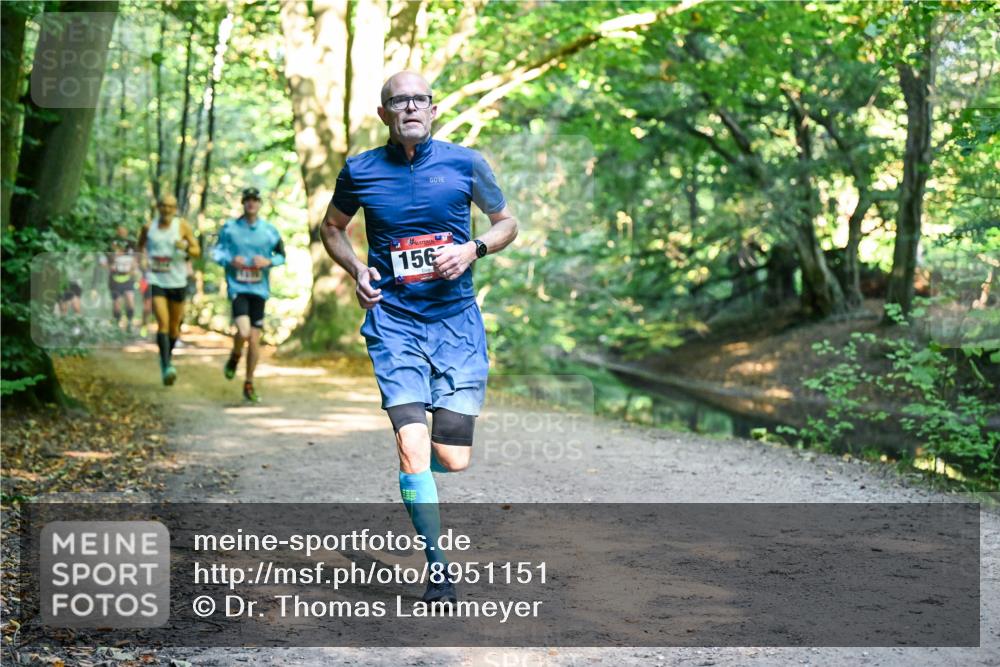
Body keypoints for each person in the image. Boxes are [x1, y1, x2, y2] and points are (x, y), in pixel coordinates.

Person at [321, 71, 518, 604]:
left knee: (452, 459)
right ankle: (439, 567)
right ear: (384, 114)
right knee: (411, 446)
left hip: (456, 323)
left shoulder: (465, 163)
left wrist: (472, 249)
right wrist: (357, 269)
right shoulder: (360, 170)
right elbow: (331, 228)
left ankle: (417, 477)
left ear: (432, 110)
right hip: (394, 322)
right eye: (398, 101)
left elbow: (507, 223)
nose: (410, 107)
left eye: (419, 99)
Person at [211, 187, 286, 402]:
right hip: (238, 288)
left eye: (255, 200)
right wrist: (229, 260)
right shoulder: (230, 228)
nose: (251, 203)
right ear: (243, 203)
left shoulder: (269, 231)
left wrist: (269, 262)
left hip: (259, 290)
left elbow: (282, 255)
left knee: (254, 340)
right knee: (244, 332)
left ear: (260, 204)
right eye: (248, 200)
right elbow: (216, 251)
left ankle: (249, 383)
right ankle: (235, 355)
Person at [138, 194, 201, 385]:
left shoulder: (181, 226)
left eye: (171, 207)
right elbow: (139, 248)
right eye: (163, 206)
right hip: (156, 279)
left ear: (175, 209)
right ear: (158, 207)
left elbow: (197, 251)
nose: (167, 209)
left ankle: (167, 357)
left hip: (177, 281)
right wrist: (142, 260)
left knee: (174, 327)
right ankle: (166, 366)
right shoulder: (149, 227)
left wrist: (185, 247)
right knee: (163, 323)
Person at [105, 224, 140, 333]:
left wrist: (133, 269)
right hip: (115, 279)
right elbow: (106, 262)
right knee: (117, 303)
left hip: (128, 278)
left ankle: (129, 323)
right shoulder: (111, 244)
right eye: (119, 230)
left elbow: (136, 260)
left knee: (130, 300)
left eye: (124, 230)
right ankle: (116, 325)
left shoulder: (132, 244)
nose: (122, 232)